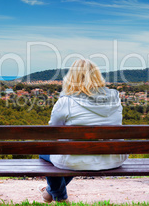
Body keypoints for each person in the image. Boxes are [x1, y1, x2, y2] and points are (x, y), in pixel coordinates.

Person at [38, 59, 128, 202]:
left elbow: (53, 132)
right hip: (112, 158)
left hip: (76, 158)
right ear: (97, 76)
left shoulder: (66, 102)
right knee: (78, 150)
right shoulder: (114, 98)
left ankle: (58, 196)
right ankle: (52, 192)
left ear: (72, 78)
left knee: (46, 149)